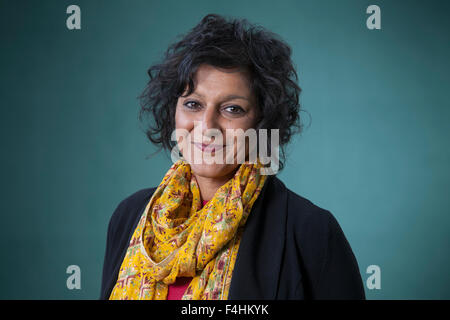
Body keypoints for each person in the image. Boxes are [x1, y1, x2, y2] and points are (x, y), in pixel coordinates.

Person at [100, 13, 365, 300]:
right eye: (193, 104)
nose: (206, 127)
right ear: (172, 111)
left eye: (232, 109)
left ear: (263, 121)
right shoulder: (131, 216)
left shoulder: (310, 231)